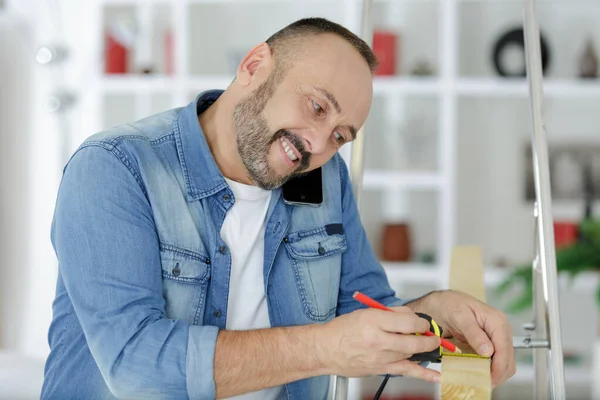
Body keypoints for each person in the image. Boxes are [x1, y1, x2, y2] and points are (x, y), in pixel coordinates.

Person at [41, 17, 515, 400]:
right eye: (316, 106)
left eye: (340, 136)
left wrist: (434, 313)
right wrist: (324, 348)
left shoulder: (326, 181)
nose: (318, 144)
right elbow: (134, 365)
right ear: (254, 65)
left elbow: (362, 313)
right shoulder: (115, 168)